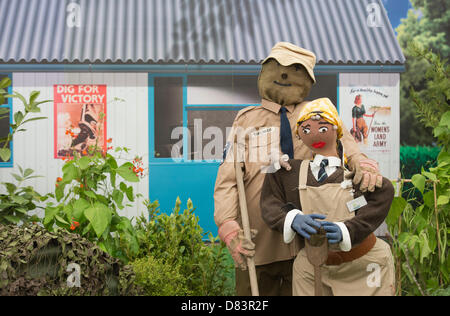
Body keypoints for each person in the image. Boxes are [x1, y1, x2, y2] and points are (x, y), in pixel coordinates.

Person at [214, 42, 384, 296]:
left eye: (294, 69)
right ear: (264, 72)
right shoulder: (247, 120)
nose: (284, 75)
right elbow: (228, 180)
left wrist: (362, 163)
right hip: (260, 238)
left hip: (311, 236)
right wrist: (228, 224)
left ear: (308, 79)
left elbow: (348, 147)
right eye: (278, 67)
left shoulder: (318, 113)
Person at [260, 98, 395, 296]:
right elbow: (271, 199)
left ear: (336, 130)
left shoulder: (353, 173)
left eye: (322, 128)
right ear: (299, 135)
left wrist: (348, 229)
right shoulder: (292, 172)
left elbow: (384, 191)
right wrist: (291, 219)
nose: (314, 134)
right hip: (314, 266)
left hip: (364, 264)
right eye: (306, 129)